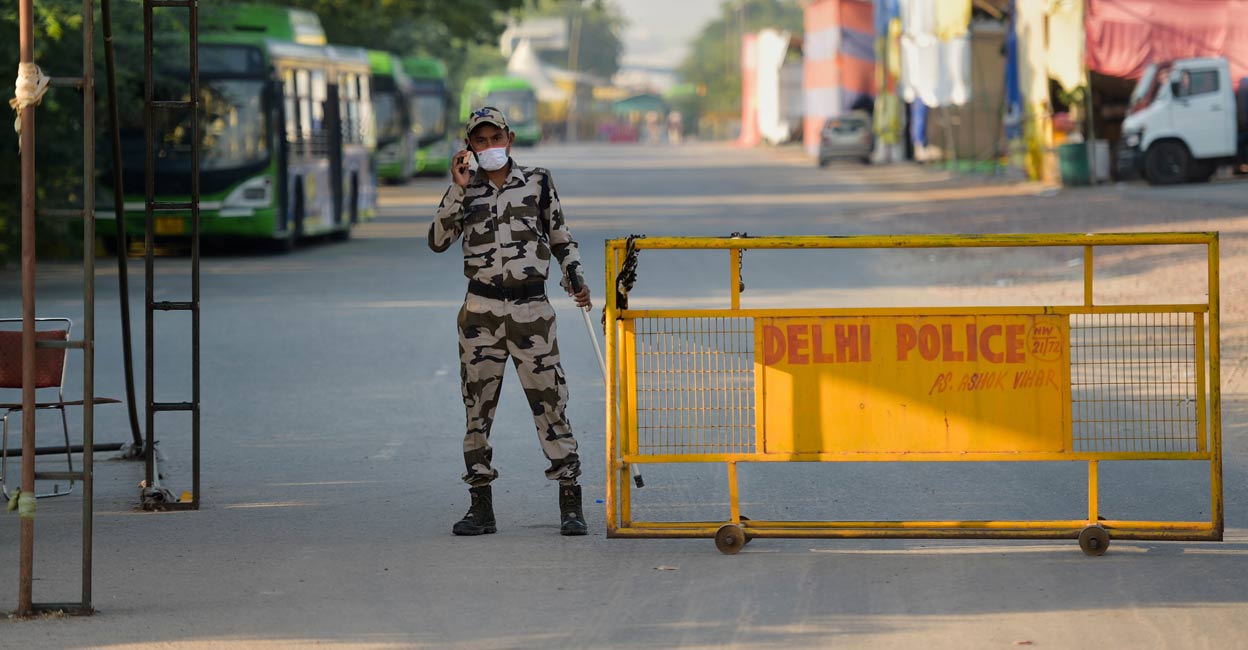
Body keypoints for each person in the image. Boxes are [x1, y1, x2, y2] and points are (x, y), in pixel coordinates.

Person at [429, 106, 592, 537]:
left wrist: (574, 274)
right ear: (469, 148)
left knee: (551, 404)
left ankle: (571, 504)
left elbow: (561, 237)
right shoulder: (467, 190)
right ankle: (480, 507)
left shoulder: (537, 181)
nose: (488, 148)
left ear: (510, 138)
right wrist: (457, 188)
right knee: (477, 411)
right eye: (479, 142)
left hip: (531, 311)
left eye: (494, 139)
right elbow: (438, 241)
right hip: (481, 313)